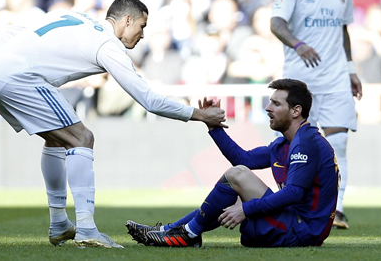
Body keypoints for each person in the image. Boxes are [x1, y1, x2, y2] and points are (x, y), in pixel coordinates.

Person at [0, 0, 227, 249]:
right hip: (20, 77)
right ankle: (87, 230)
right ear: (126, 20)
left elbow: (6, 33)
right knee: (82, 138)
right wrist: (199, 115)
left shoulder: (73, 16)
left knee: (58, 139)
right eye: (141, 26)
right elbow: (149, 100)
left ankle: (59, 223)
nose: (142, 35)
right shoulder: (108, 45)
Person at [126, 78, 339, 248]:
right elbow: (243, 158)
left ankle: (188, 234)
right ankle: (170, 231)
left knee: (237, 175)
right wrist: (213, 126)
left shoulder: (307, 143)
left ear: (296, 111)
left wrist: (246, 209)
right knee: (235, 181)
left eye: (276, 103)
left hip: (303, 230)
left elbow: (294, 193)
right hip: (291, 222)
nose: (267, 108)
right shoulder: (285, 143)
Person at [269, 0, 362, 229]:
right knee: (297, 145)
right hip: (301, 82)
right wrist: (298, 45)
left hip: (335, 79)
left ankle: (338, 209)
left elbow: (343, 29)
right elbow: (276, 23)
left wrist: (351, 69)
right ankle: (291, 202)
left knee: (339, 143)